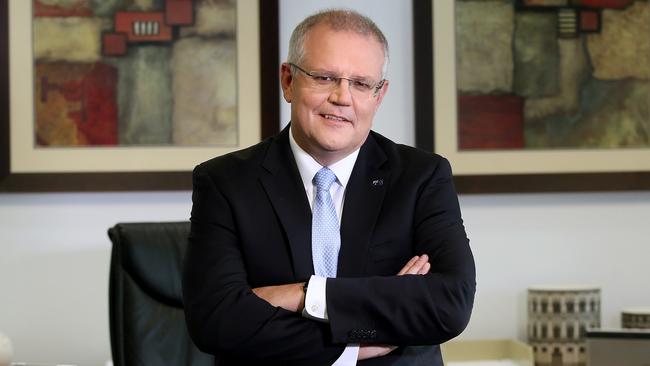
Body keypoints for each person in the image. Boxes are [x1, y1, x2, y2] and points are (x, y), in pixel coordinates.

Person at [183, 9, 475, 366]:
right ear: (288, 81)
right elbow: (216, 321)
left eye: (361, 83)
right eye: (324, 77)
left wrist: (306, 294)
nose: (342, 97)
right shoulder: (225, 182)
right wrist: (354, 346)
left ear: (378, 96)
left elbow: (450, 305)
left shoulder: (421, 177)